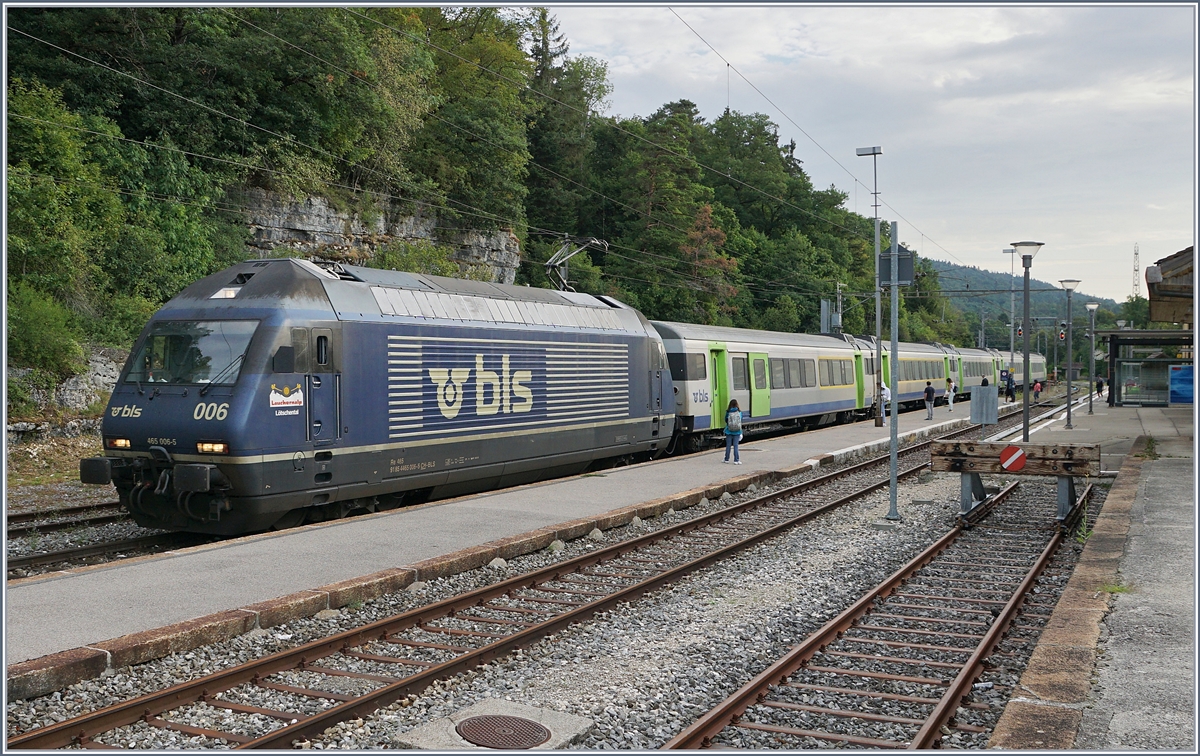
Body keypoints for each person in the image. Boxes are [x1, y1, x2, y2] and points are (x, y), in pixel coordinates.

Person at [723, 399, 743, 465]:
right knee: (735, 446)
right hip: (737, 431)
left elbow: (726, 420)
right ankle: (736, 460)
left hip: (729, 431)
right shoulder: (739, 412)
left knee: (728, 446)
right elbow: (740, 421)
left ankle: (726, 459)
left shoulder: (728, 412)